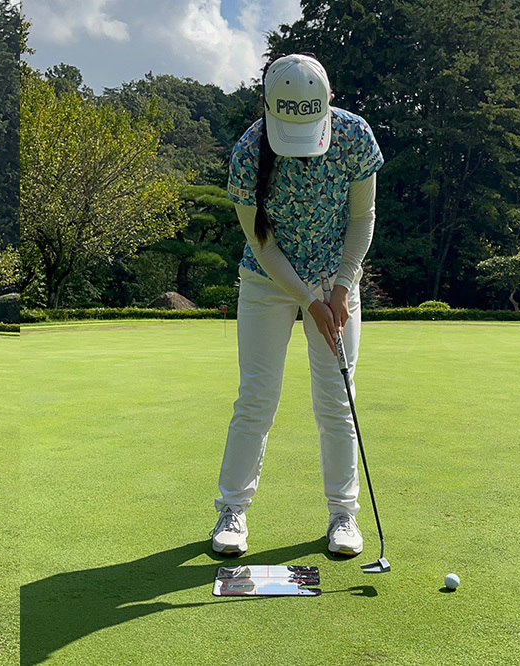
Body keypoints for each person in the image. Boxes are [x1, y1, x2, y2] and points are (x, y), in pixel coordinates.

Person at [210, 53, 384, 557]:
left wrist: (340, 288)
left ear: (329, 101)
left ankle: (343, 515)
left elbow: (362, 219)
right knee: (256, 398)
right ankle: (232, 509)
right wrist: (308, 300)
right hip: (268, 279)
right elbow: (262, 243)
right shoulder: (248, 153)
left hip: (335, 277)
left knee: (337, 399)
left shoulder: (355, 137)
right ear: (268, 109)